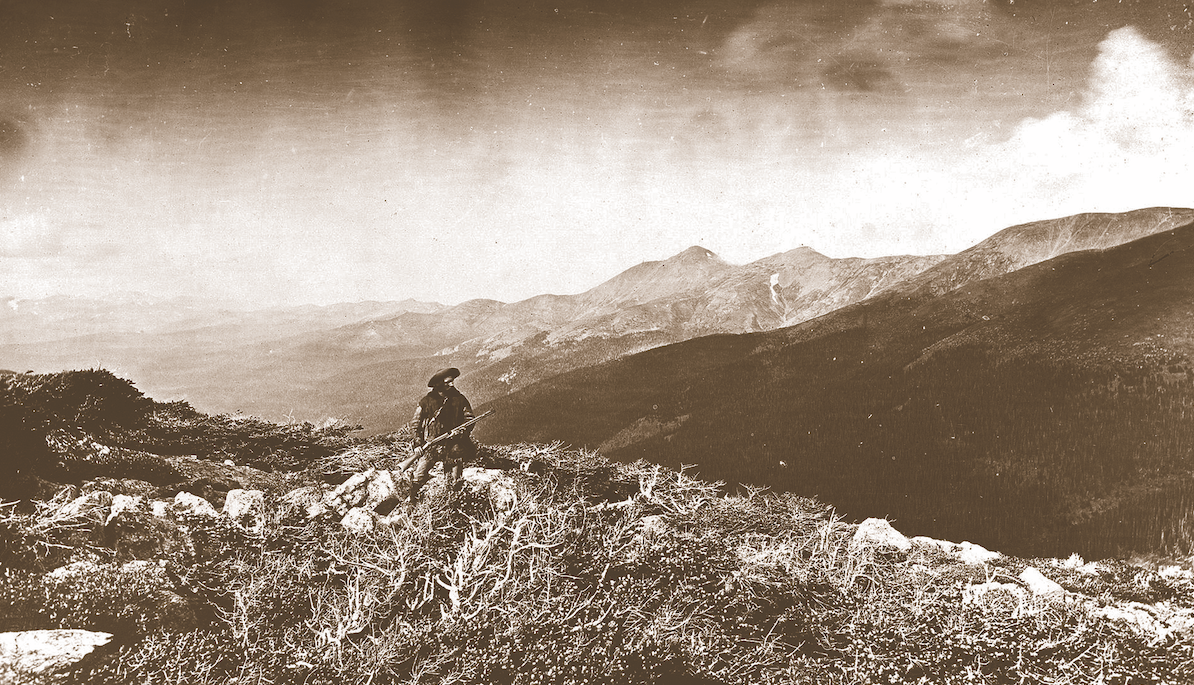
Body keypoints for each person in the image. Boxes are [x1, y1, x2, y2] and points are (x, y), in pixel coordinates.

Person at [408, 367, 476, 503]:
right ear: (439, 384)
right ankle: (413, 505)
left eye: (452, 381)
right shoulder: (426, 401)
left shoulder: (460, 399)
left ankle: (452, 506)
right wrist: (417, 444)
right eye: (448, 382)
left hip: (454, 446)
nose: (452, 384)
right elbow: (415, 424)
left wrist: (461, 432)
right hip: (431, 445)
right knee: (418, 477)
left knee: (454, 482)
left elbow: (469, 419)